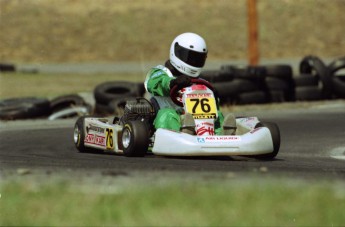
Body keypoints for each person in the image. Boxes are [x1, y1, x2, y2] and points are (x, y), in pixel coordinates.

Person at [144, 32, 236, 135]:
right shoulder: (161, 72)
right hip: (165, 119)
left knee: (217, 115)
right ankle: (184, 133)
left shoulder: (201, 82)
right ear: (177, 52)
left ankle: (223, 135)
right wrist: (172, 83)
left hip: (196, 121)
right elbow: (155, 83)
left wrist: (213, 95)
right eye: (190, 57)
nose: (193, 62)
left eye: (197, 59)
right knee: (167, 115)